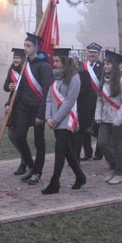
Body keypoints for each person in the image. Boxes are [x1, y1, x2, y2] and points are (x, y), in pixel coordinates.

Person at [42, 48, 87, 194]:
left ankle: (55, 182)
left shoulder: (74, 77)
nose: (54, 64)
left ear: (65, 61)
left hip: (66, 119)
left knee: (59, 150)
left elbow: (69, 101)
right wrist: (48, 117)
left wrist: (55, 119)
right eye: (53, 61)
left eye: (57, 61)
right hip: (55, 119)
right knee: (66, 150)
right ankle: (80, 176)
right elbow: (49, 97)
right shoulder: (55, 76)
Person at [10, 33, 52, 185]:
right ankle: (31, 166)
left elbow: (46, 91)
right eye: (24, 45)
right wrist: (13, 89)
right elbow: (22, 87)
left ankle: (37, 172)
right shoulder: (25, 65)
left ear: (36, 47)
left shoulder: (44, 66)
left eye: (28, 46)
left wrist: (41, 114)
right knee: (18, 136)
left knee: (38, 141)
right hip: (24, 107)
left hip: (38, 109)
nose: (25, 49)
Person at [95, 50, 122, 185]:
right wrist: (98, 115)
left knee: (117, 146)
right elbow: (99, 100)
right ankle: (113, 165)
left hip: (117, 119)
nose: (105, 66)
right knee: (102, 143)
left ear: (114, 66)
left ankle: (118, 173)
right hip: (104, 118)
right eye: (105, 63)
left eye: (108, 64)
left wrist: (118, 119)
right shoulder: (103, 80)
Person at [75, 42, 103, 161]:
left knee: (98, 128)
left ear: (99, 54)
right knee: (84, 128)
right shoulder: (82, 66)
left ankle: (99, 152)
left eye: (94, 53)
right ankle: (87, 152)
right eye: (90, 52)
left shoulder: (103, 67)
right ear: (87, 53)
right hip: (83, 102)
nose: (92, 54)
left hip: (98, 101)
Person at [3, 48, 27, 175]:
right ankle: (26, 157)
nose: (15, 60)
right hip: (11, 104)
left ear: (23, 59)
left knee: (19, 136)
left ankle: (24, 162)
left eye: (18, 58)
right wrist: (9, 86)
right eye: (14, 58)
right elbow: (5, 86)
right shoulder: (11, 71)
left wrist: (10, 103)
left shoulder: (26, 71)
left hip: (21, 106)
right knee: (11, 135)